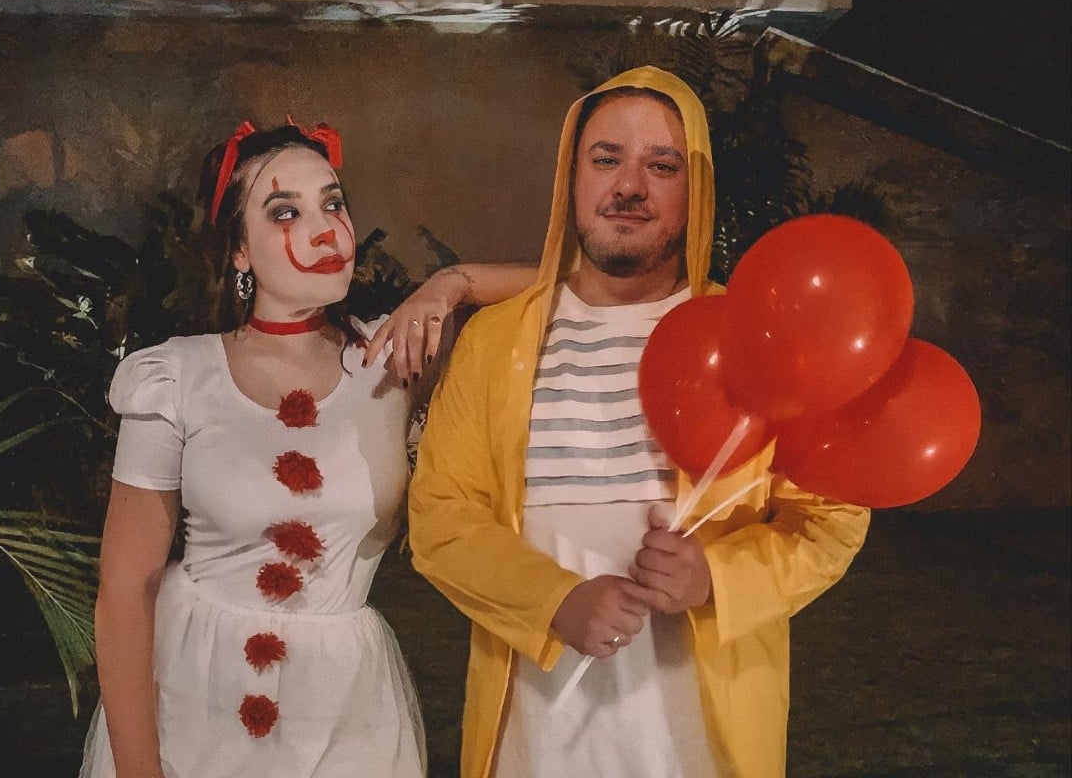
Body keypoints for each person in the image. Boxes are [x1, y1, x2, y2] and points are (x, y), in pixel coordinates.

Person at [408, 66, 872, 778]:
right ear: (572, 179)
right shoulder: (497, 342)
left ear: (697, 191)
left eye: (661, 166)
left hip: (703, 750)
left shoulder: (755, 340)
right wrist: (555, 600)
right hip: (535, 745)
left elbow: (830, 520)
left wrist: (716, 577)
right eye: (606, 161)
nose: (629, 187)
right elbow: (441, 519)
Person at [79, 119, 536, 778]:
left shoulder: (392, 353)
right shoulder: (176, 377)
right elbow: (126, 588)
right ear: (239, 250)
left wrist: (450, 285)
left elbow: (571, 292)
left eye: (333, 202)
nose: (325, 229)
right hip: (196, 700)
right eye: (285, 210)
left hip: (348, 707)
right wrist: (138, 770)